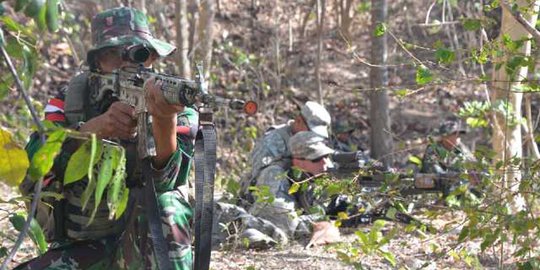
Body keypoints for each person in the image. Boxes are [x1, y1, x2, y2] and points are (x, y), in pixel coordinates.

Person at [17, 7, 197, 269]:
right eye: (113, 54)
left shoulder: (173, 103)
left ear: (152, 59)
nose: (128, 63)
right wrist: (91, 131)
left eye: (139, 53)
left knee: (167, 207)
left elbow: (168, 182)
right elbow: (34, 160)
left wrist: (163, 120)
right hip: (84, 248)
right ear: (96, 63)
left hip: (146, 245)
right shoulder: (70, 102)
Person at [242, 101, 331, 198]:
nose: (313, 136)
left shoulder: (312, 141)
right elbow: (259, 178)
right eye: (310, 131)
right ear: (298, 121)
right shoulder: (272, 142)